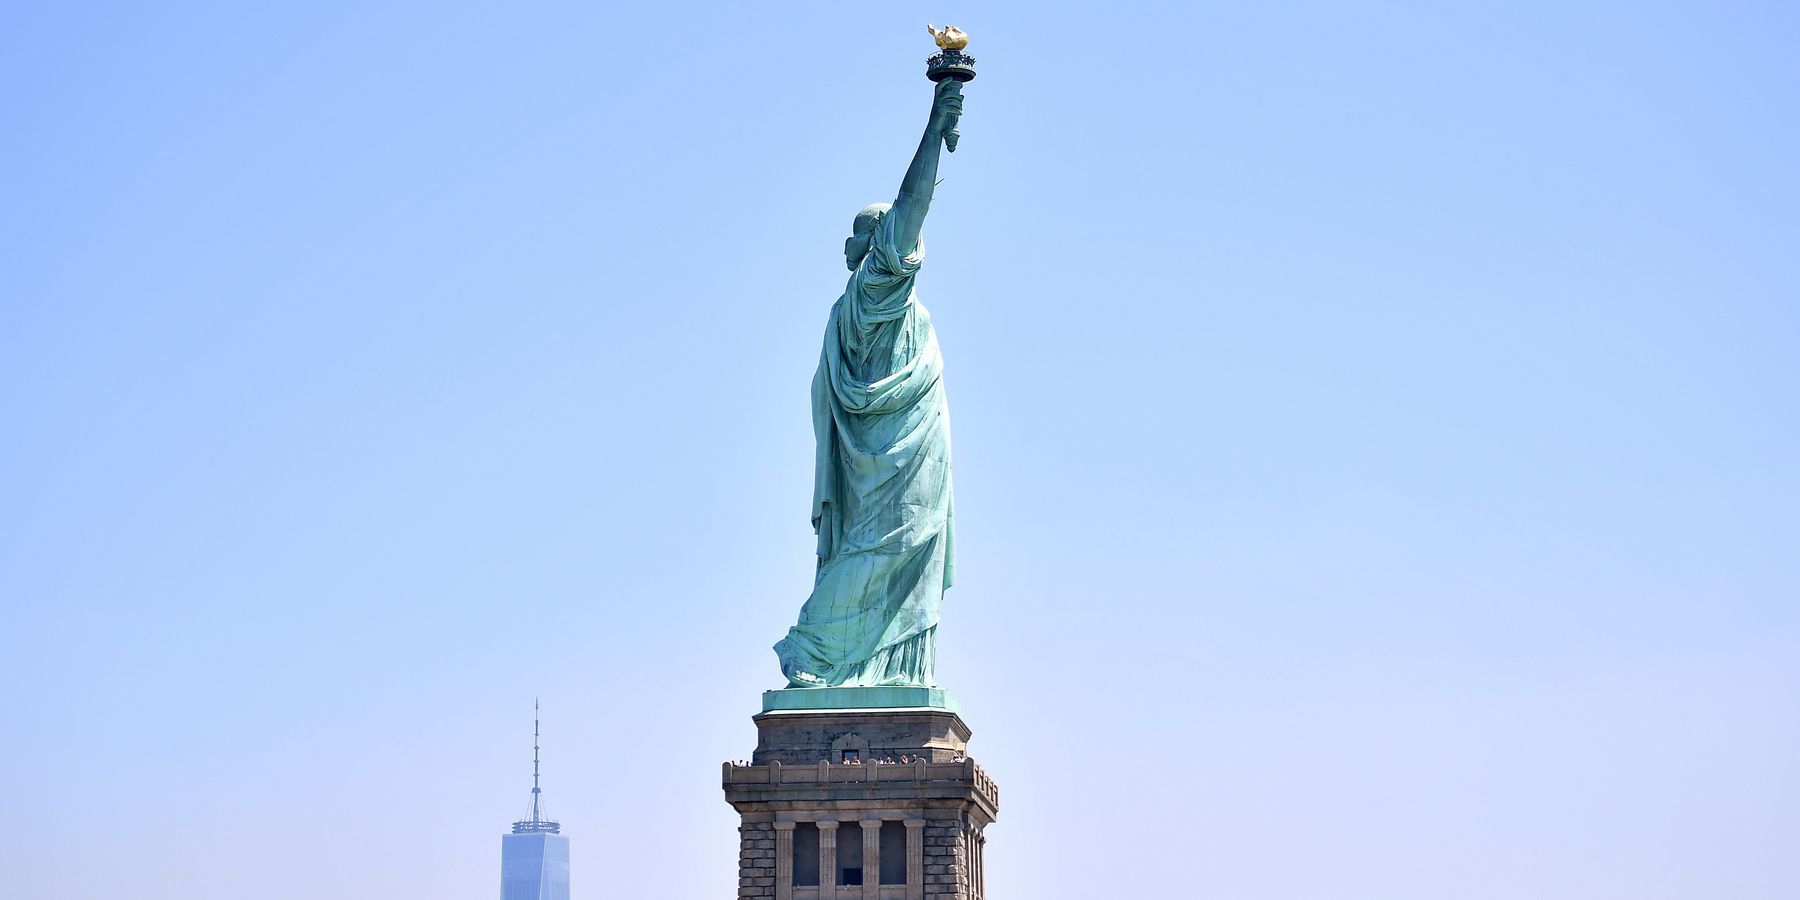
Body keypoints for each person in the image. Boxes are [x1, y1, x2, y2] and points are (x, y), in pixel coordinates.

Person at [774, 78, 968, 688]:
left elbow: (911, 206)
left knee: (893, 552)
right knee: (875, 550)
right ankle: (821, 651)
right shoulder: (861, 303)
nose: (848, 242)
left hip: (911, 447)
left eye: (860, 232)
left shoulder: (878, 289)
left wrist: (936, 126)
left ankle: (854, 662)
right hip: (877, 451)